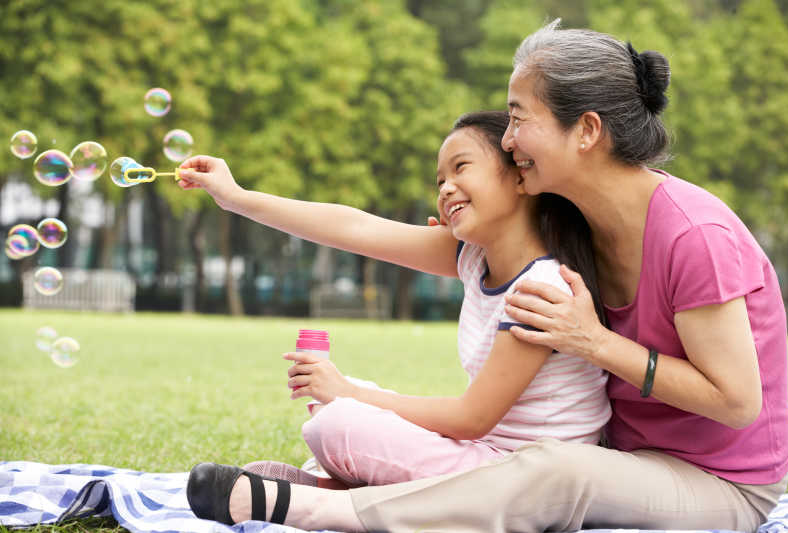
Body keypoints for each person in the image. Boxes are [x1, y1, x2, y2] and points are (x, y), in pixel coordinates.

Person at [183, 20, 788, 533]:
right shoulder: (559, 230)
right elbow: (358, 228)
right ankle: (330, 481)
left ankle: (319, 507)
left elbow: (737, 403)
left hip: (721, 484)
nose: (507, 140)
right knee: (540, 466)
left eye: (518, 118)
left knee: (558, 471)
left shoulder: (694, 236)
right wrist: (238, 197)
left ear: (586, 130)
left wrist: (596, 342)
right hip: (623, 460)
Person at [179, 110, 612, 521]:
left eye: (461, 168)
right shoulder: (474, 258)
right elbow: (354, 228)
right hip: (486, 458)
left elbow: (471, 419)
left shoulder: (543, 288)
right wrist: (235, 197)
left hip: (522, 483)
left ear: (521, 177)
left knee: (341, 420)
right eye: (440, 179)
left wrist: (347, 391)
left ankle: (326, 496)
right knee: (338, 412)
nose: (444, 188)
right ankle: (340, 492)